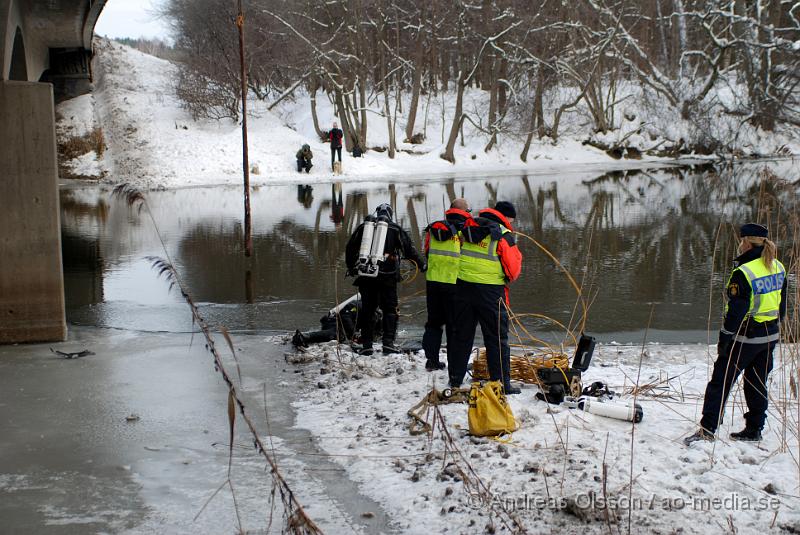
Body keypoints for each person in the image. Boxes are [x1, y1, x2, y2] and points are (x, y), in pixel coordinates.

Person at [685, 223, 787, 445]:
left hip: (745, 338)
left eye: (741, 241)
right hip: (769, 336)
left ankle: (707, 430)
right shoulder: (778, 266)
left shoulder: (744, 272)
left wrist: (725, 337)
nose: (739, 244)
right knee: (757, 383)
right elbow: (783, 307)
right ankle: (754, 429)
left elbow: (736, 312)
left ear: (747, 243)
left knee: (720, 382)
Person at [449, 201, 523, 394]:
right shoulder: (504, 236)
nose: (511, 223)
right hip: (490, 293)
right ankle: (500, 384)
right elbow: (513, 270)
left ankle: (455, 380)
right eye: (511, 219)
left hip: (463, 288)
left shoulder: (466, 227)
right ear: (505, 217)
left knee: (461, 336)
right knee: (496, 339)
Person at [345, 203, 426, 355]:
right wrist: (422, 265)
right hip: (388, 278)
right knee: (390, 309)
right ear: (390, 214)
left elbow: (350, 248)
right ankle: (388, 344)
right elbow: (409, 250)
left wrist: (352, 268)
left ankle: (367, 345)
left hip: (367, 276)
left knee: (368, 310)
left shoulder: (364, 227)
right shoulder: (395, 228)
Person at [421, 198, 474, 371]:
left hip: (433, 282)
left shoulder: (434, 228)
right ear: (466, 212)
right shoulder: (466, 231)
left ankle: (432, 361)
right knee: (454, 326)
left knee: (433, 324)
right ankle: (455, 364)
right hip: (455, 284)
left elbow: (427, 252)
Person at [292, 294, 381, 348]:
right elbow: (345, 316)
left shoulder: (376, 314)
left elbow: (377, 332)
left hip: (343, 323)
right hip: (335, 320)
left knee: (340, 335)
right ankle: (304, 337)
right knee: (336, 334)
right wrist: (354, 334)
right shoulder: (358, 305)